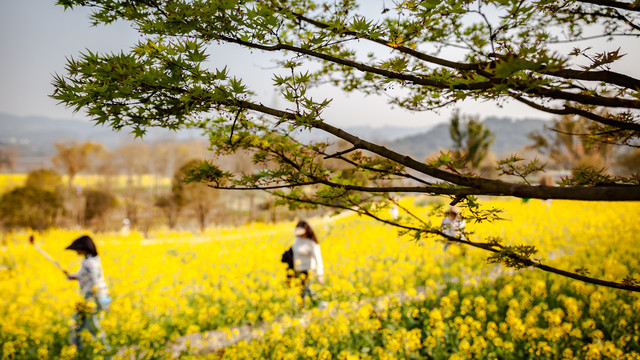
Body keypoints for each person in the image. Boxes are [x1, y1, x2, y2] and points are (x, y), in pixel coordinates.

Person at [65, 235, 111, 350]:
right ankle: (76, 349)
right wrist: (72, 276)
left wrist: (102, 301)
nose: (76, 252)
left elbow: (97, 280)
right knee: (78, 323)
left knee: (91, 325)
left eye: (77, 249)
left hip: (92, 298)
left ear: (84, 248)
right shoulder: (89, 261)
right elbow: (86, 276)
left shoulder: (90, 263)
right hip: (88, 297)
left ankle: (105, 350)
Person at [291, 220, 324, 307]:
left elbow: (318, 259)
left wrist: (320, 274)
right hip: (297, 270)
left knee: (304, 289)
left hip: (308, 270)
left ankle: (306, 306)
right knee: (303, 290)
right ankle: (317, 304)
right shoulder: (296, 240)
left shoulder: (312, 243)